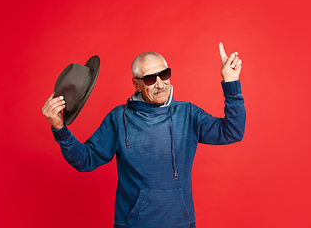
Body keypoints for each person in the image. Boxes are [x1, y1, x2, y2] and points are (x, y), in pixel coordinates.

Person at [42, 42, 246, 228]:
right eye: (150, 79)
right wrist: (60, 128)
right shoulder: (118, 119)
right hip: (133, 224)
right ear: (136, 84)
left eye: (164, 74)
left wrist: (231, 82)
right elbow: (85, 160)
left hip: (181, 222)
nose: (160, 84)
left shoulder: (188, 114)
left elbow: (233, 132)